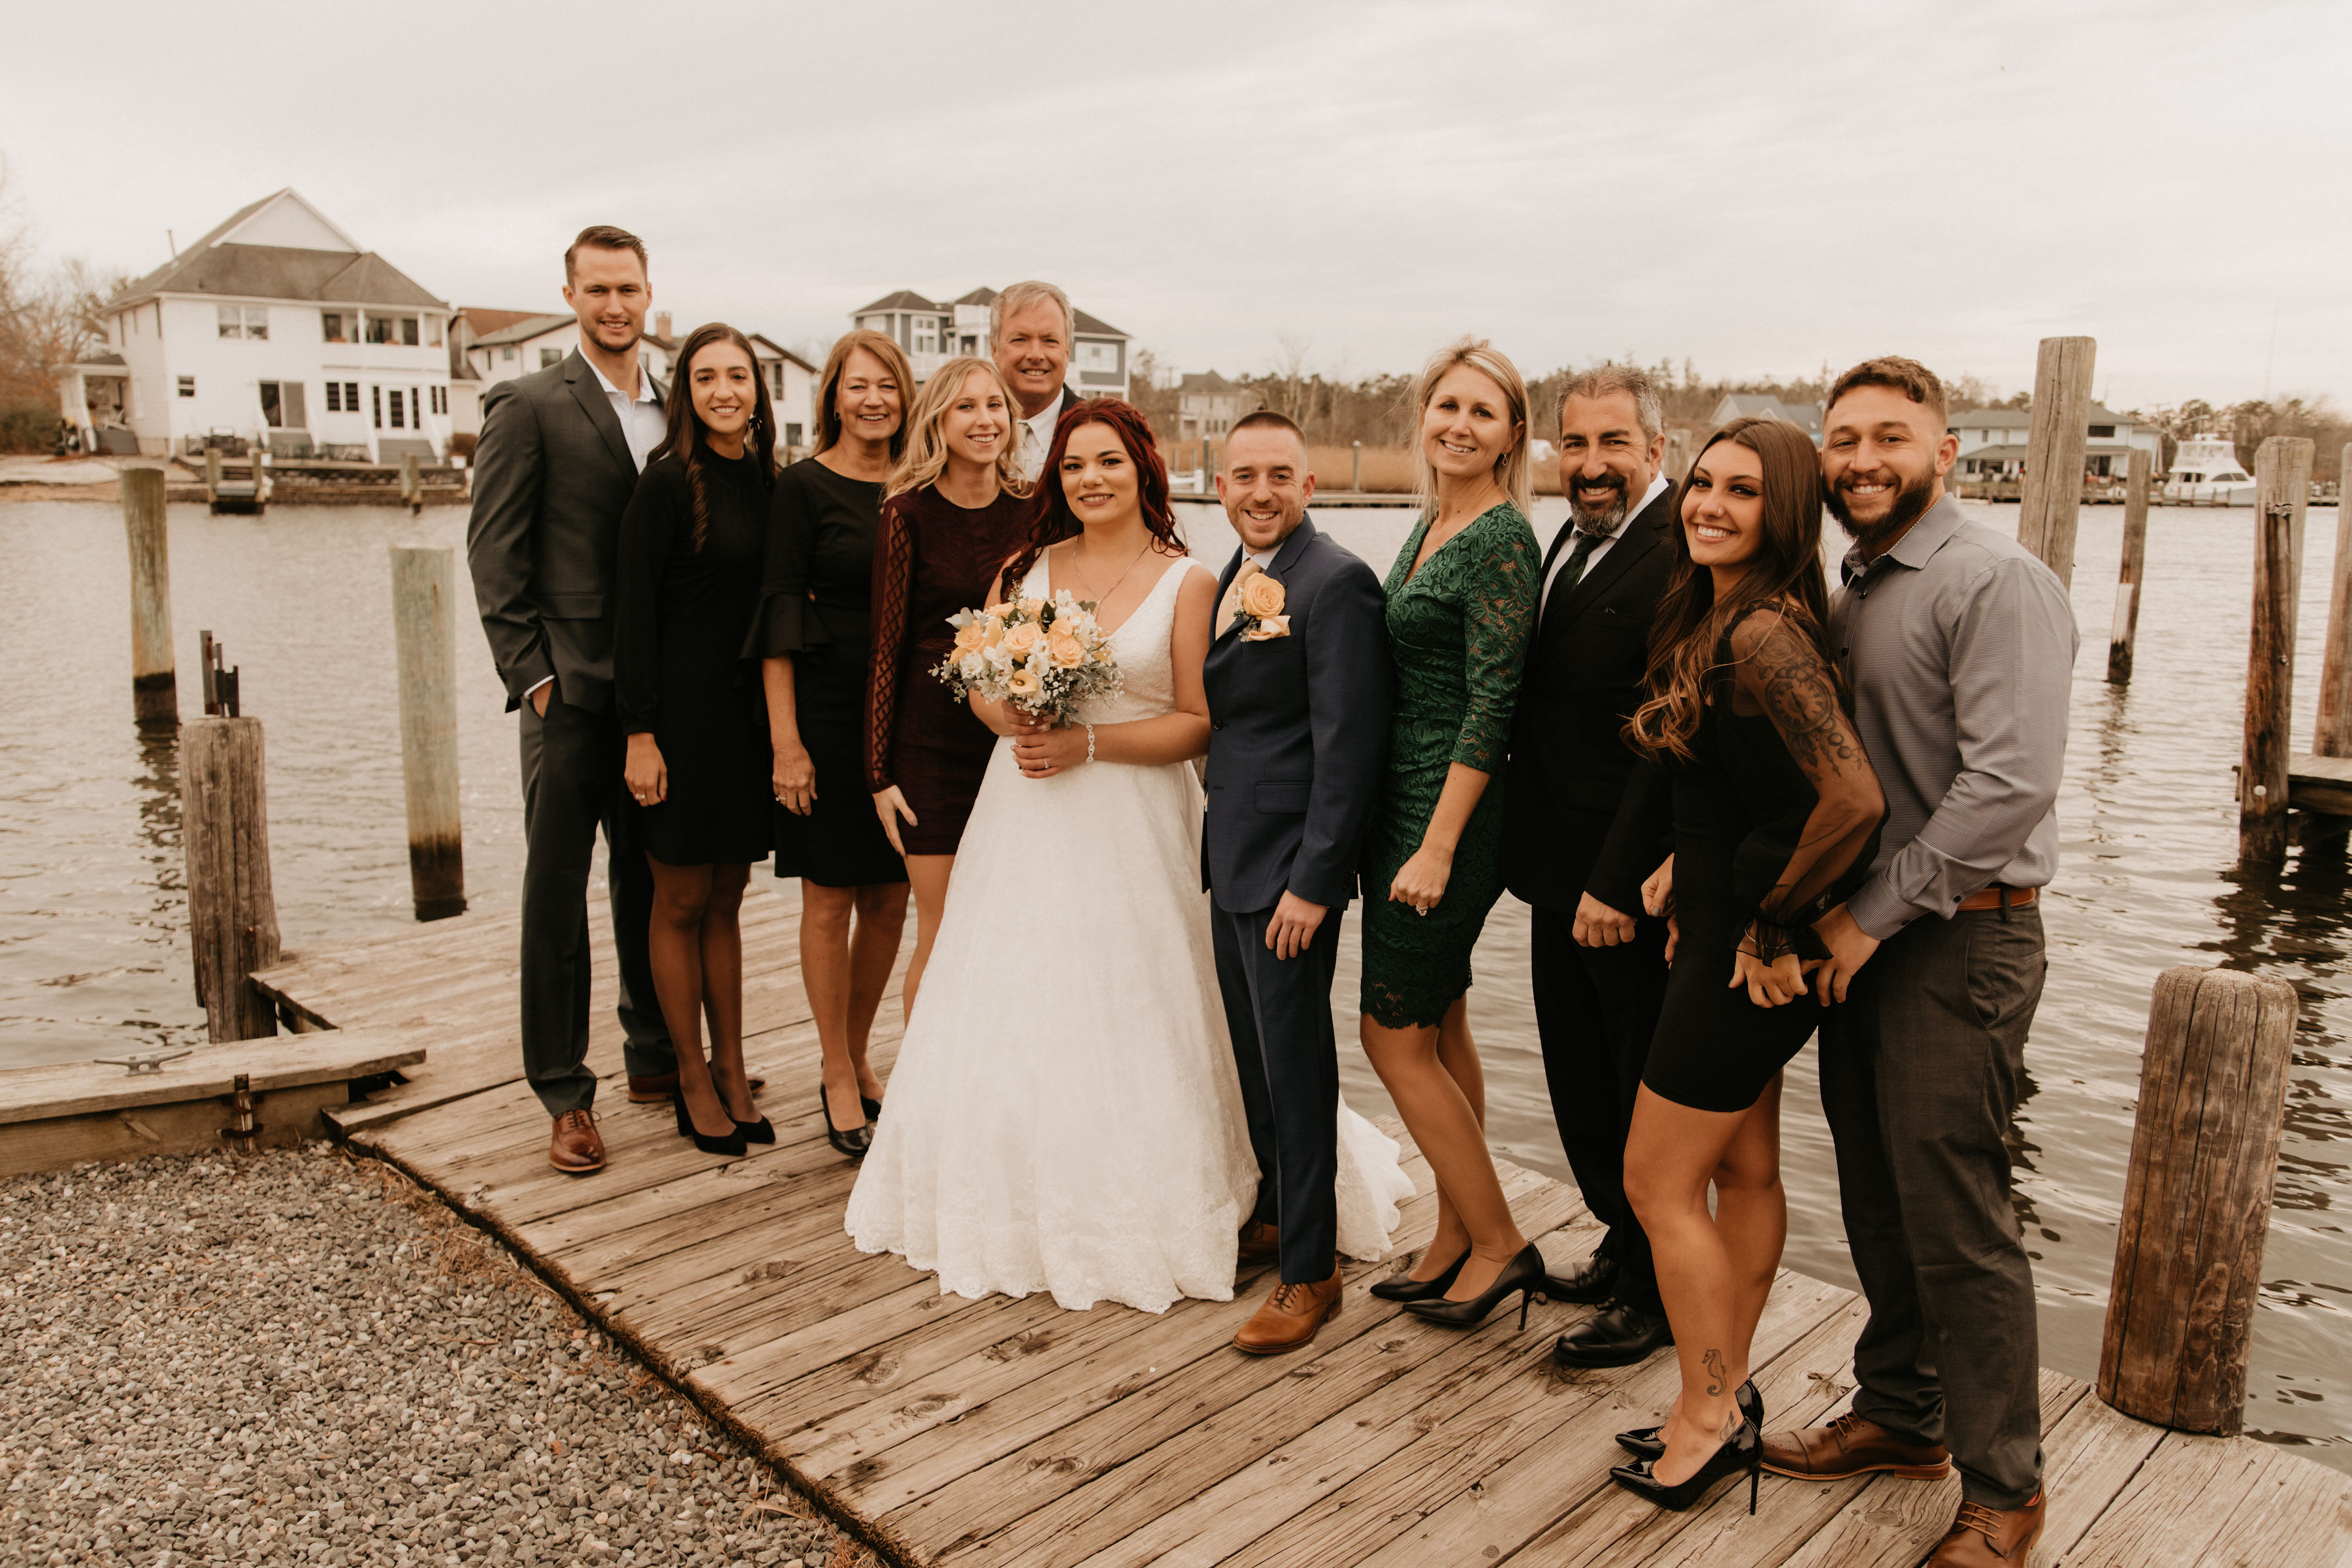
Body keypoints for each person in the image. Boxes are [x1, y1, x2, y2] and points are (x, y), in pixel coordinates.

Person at [844, 400, 1408, 1313]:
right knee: (1014, 995)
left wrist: (1089, 743)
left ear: (1144, 470)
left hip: (1136, 821)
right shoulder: (1023, 568)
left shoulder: (1193, 581)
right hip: (1022, 819)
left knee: (1150, 1001)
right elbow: (979, 683)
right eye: (1073, 465)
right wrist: (1014, 712)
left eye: (1109, 461)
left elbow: (1200, 722)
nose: (1090, 479)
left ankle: (1261, 1219)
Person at [1763, 358, 2076, 1568]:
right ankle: (1903, 1415)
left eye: (1890, 436)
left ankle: (2008, 1492)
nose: (1862, 460)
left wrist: (1866, 919)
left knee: (1958, 1217)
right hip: (1870, 936)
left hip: (1961, 935)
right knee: (1878, 1196)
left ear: (1946, 451)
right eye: (1844, 439)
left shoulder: (1994, 581)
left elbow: (2009, 786)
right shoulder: (1855, 585)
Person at [1593, 417, 1884, 1516]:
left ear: (1786, 511)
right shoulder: (1721, 611)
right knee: (1744, 1172)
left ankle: (1708, 1412)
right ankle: (1722, 1390)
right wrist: (1688, 868)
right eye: (1704, 482)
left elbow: (1852, 800)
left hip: (1748, 954)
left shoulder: (1764, 632)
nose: (1710, 504)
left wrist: (1767, 919)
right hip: (1719, 931)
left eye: (1743, 491)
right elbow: (1753, 782)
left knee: (1655, 1183)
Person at [465, 224, 674, 1176]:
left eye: (628, 289)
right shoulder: (529, 404)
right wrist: (535, 680)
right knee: (557, 894)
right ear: (571, 296)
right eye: (598, 290)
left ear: (648, 293)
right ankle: (563, 1090)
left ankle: (652, 1054)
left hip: (656, 697)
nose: (615, 306)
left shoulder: (674, 409)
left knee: (650, 880)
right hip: (568, 695)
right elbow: (494, 555)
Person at [1201, 410, 1410, 1354]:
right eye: (1244, 476)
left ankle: (1312, 1271)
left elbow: (1349, 749)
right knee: (1255, 1056)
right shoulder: (1237, 576)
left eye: (1279, 475)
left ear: (1308, 485)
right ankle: (1282, 1212)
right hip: (1231, 857)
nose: (1261, 492)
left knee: (1296, 1064)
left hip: (1290, 871)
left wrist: (1315, 883)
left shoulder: (1336, 582)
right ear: (1220, 486)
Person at [1360, 337, 1546, 1330]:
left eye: (1482, 412)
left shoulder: (1502, 538)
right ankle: (1458, 1230)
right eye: (1447, 407)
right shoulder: (1436, 519)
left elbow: (1492, 704)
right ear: (1424, 418)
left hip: (1446, 815)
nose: (1460, 426)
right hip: (1401, 800)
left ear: (1512, 434)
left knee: (1391, 1038)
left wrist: (1435, 848)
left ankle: (1504, 1243)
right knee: (1444, 1024)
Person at [1499, 365, 1679, 1370]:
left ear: (1657, 448)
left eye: (1614, 443)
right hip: (1554, 868)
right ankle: (1620, 1241)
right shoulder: (1566, 537)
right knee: (1579, 1076)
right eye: (1576, 443)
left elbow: (1669, 737)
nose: (1592, 463)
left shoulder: (1680, 551)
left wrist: (1618, 880)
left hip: (1624, 885)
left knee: (1636, 1081)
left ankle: (1655, 1295)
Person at [615, 323, 778, 1159]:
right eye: (706, 377)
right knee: (679, 899)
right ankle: (689, 1075)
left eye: (738, 376)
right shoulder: (665, 482)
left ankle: (734, 1068)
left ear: (757, 389)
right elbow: (634, 615)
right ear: (685, 391)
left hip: (745, 724)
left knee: (727, 898)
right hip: (675, 723)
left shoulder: (770, 479)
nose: (724, 391)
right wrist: (639, 734)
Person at [753, 331, 912, 1160]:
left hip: (905, 717)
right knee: (828, 898)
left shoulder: (919, 483)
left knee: (890, 896)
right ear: (834, 398)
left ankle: (857, 1050)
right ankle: (833, 1067)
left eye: (887, 385)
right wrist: (786, 743)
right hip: (822, 709)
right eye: (858, 386)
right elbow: (779, 613)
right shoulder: (802, 487)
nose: (874, 400)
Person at [866, 357, 1032, 1017]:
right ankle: (920, 1083)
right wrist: (879, 775)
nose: (984, 420)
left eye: (995, 405)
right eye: (966, 406)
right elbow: (885, 649)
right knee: (940, 932)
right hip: (929, 752)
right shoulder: (906, 513)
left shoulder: (1034, 509)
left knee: (1006, 934)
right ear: (938, 419)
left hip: (1012, 748)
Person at [990, 280, 1082, 482]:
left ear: (1067, 352)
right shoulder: (959, 434)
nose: (1035, 355)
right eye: (1019, 340)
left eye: (1050, 340)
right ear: (994, 349)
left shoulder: (1104, 432)